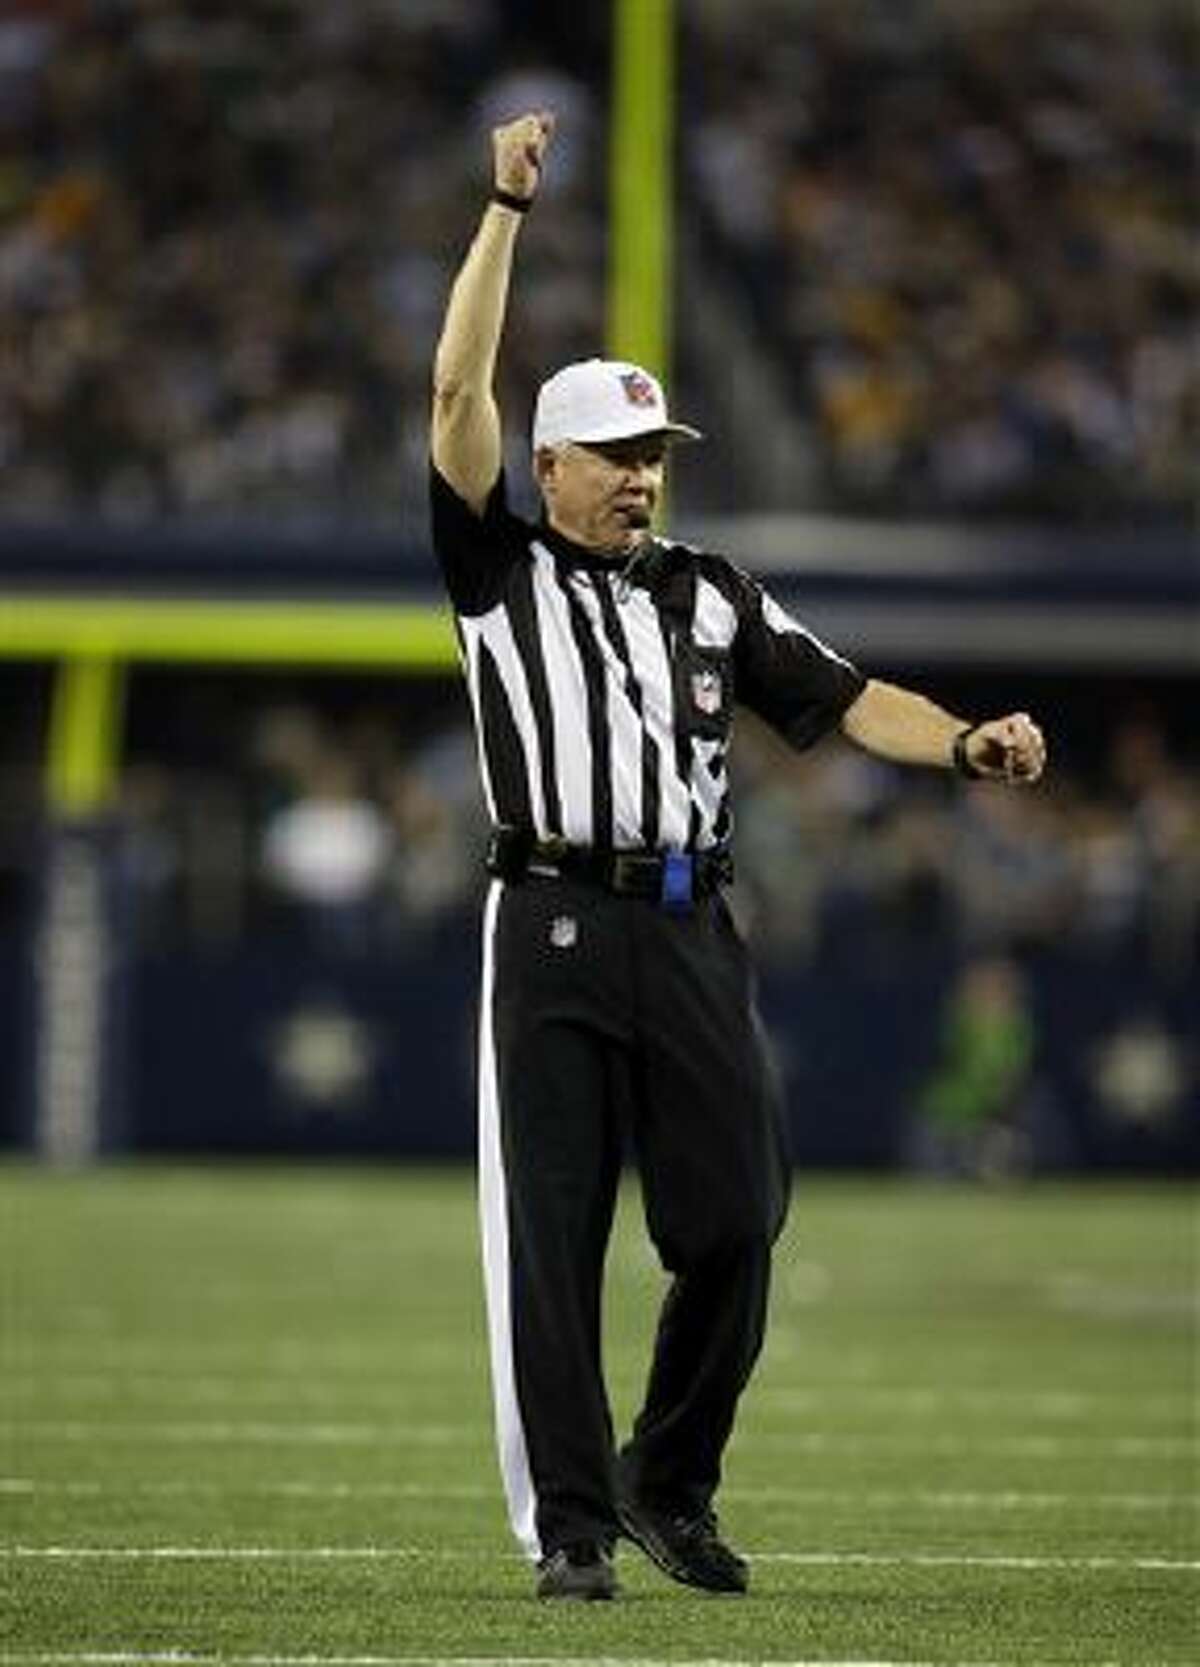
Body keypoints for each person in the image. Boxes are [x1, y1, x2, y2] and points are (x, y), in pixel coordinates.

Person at [429, 110, 1047, 1603]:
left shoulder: (713, 593)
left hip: (694, 924)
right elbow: (455, 389)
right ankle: (574, 1529)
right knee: (556, 1235)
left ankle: (669, 1479)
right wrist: (505, 209)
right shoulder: (498, 569)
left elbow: (844, 701)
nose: (645, 477)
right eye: (619, 456)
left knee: (737, 1218)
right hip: (555, 917)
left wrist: (966, 740)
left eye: (659, 455)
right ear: (554, 465)